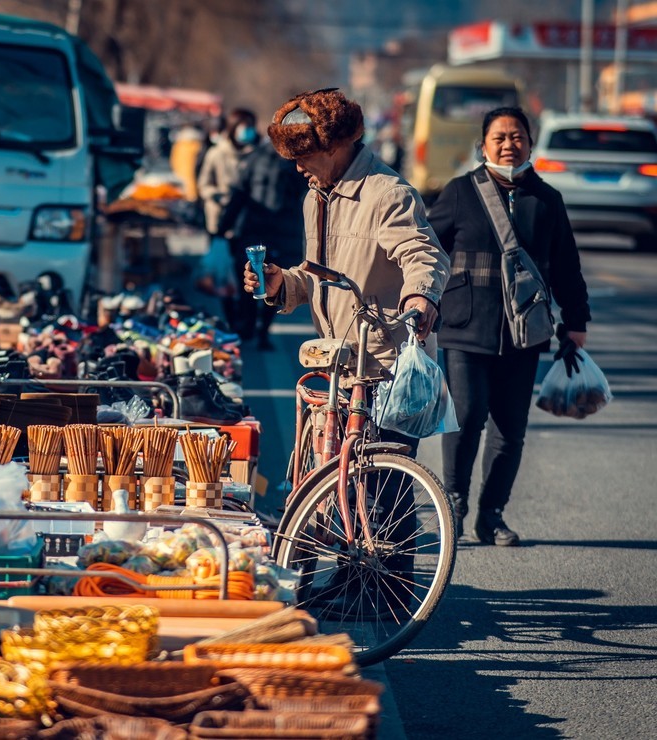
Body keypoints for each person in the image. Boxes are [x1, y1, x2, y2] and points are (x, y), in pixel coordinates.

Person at [242, 88, 449, 609]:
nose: (297, 168)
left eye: (304, 156)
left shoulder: (387, 193)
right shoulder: (316, 194)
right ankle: (348, 577)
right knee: (336, 479)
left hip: (385, 359)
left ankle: (390, 591)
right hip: (340, 361)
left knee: (383, 487)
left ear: (336, 146)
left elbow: (422, 252)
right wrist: (281, 284)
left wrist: (420, 297)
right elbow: (318, 277)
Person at [427, 106, 591, 546]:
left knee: (509, 429)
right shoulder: (460, 192)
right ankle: (453, 505)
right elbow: (427, 247)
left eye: (516, 137)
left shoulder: (547, 200)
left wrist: (576, 320)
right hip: (465, 326)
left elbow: (566, 266)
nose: (508, 145)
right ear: (483, 145)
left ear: (530, 144)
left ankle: (491, 515)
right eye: (499, 137)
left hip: (525, 332)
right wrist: (421, 299)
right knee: (466, 417)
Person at [217, 123, 308, 349]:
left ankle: (251, 328)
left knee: (255, 278)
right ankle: (261, 330)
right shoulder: (297, 162)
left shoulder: (256, 158)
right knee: (275, 279)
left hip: (258, 231)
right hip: (281, 232)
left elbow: (238, 195)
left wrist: (222, 227)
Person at [198, 108, 258, 326]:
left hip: (248, 222)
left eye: (250, 126)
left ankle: (247, 319)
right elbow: (203, 184)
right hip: (221, 222)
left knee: (248, 272)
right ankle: (231, 319)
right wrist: (218, 196)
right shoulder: (217, 153)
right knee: (223, 273)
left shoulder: (257, 154)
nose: (247, 131)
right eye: (244, 126)